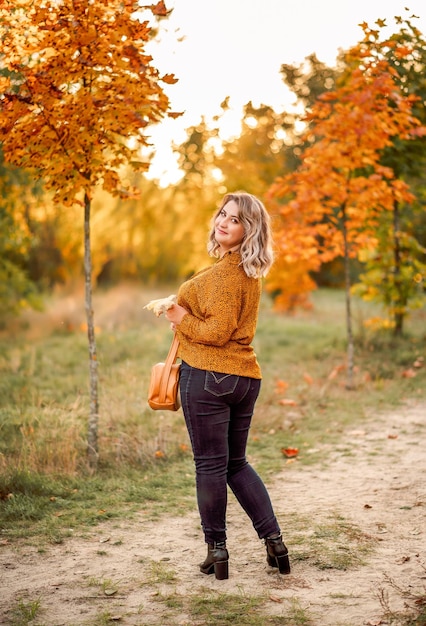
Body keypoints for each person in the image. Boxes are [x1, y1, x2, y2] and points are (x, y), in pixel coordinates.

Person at [164, 191, 290, 580]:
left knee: (210, 465)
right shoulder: (249, 273)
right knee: (236, 463)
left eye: (235, 219)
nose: (223, 221)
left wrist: (178, 316)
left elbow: (216, 332)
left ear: (248, 229)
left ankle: (216, 550)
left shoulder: (221, 276)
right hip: (243, 377)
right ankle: (275, 542)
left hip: (209, 377)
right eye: (222, 213)